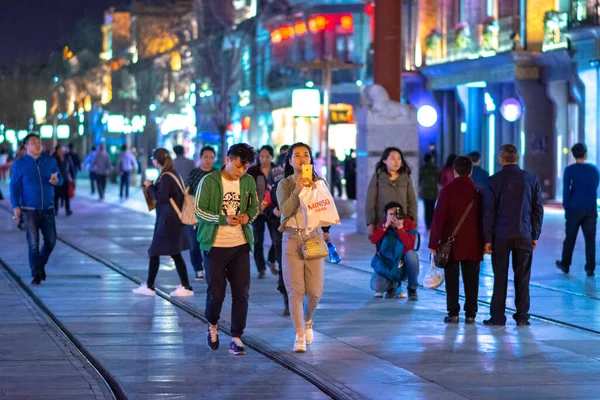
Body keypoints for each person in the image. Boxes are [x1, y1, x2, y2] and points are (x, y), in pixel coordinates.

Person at [195, 143, 258, 356]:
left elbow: (254, 207)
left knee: (242, 292)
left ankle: (237, 337)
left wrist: (248, 216)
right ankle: (212, 325)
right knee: (216, 294)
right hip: (215, 245)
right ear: (228, 160)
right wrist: (223, 219)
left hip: (240, 244)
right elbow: (199, 211)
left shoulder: (247, 182)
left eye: (246, 167)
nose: (242, 171)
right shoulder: (209, 181)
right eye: (239, 165)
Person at [277, 142, 330, 353]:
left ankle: (308, 320)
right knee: (295, 291)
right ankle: (299, 334)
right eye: (296, 155)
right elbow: (285, 210)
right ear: (290, 160)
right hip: (291, 237)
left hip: (314, 237)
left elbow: (326, 211)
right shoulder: (285, 184)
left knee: (315, 291)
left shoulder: (320, 182)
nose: (301, 158)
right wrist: (299, 188)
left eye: (305, 155)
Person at [482, 144, 544, 327]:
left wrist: (487, 239)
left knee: (499, 276)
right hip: (524, 234)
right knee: (522, 276)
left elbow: (489, 212)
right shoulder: (531, 179)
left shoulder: (493, 181)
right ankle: (523, 316)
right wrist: (535, 234)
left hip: (500, 236)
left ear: (500, 159)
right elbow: (537, 209)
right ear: (518, 158)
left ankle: (498, 317)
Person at [429, 156, 483, 324]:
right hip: (474, 244)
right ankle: (471, 314)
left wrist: (433, 244)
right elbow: (485, 219)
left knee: (452, 279)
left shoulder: (446, 191)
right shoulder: (479, 192)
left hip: (450, 244)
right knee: (472, 280)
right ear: (471, 171)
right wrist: (487, 241)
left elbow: (438, 219)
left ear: (454, 172)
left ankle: (453, 313)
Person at [132, 148, 194, 297]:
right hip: (172, 221)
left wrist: (150, 186)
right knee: (174, 253)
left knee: (155, 252)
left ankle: (150, 286)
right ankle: (186, 286)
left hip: (167, 222)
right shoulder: (174, 173)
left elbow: (161, 198)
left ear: (156, 160)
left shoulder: (166, 176)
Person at [10, 134, 63, 285]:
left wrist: (57, 180)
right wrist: (16, 206)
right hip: (29, 209)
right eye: (33, 143)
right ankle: (36, 274)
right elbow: (14, 186)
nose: (37, 145)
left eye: (39, 142)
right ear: (26, 146)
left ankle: (40, 264)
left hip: (48, 209)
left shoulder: (50, 161)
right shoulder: (20, 164)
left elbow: (61, 180)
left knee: (51, 241)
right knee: (33, 243)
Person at [556, 143, 599, 277]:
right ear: (585, 154)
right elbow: (596, 185)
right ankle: (590, 268)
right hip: (590, 208)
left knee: (570, 238)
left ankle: (565, 264)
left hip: (574, 209)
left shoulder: (569, 170)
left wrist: (566, 205)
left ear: (573, 155)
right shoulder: (594, 170)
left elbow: (566, 189)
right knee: (590, 239)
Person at [370, 202, 420, 300]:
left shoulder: (409, 224)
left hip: (403, 263)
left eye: (396, 213)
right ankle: (393, 286)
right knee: (377, 286)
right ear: (386, 215)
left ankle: (412, 289)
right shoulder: (384, 225)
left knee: (412, 255)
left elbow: (410, 246)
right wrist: (385, 226)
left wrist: (400, 228)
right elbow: (374, 240)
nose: (394, 217)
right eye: (391, 214)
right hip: (388, 263)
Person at [366, 147, 417, 238]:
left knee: (402, 250)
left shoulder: (406, 178)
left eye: (399, 158)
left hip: (402, 224)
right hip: (383, 224)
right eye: (393, 158)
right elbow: (370, 201)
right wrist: (370, 223)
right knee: (384, 250)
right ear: (385, 161)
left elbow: (412, 201)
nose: (396, 161)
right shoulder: (378, 177)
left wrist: (414, 222)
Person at [185, 145, 217, 281]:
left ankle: (211, 269)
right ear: (200, 158)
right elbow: (186, 194)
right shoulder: (194, 173)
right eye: (205, 157)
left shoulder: (218, 174)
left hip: (212, 215)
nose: (208, 160)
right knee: (194, 244)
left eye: (211, 157)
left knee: (211, 245)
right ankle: (198, 268)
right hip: (195, 216)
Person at [247, 145, 278, 278]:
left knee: (276, 238)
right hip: (257, 211)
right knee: (258, 240)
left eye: (267, 156)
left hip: (272, 210)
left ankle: (271, 259)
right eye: (262, 156)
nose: (264, 159)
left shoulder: (277, 170)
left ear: (272, 157)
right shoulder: (253, 171)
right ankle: (261, 268)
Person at [53, 145, 75, 216]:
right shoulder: (54, 158)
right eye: (59, 150)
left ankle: (67, 210)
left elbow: (71, 168)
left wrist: (73, 177)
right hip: (56, 179)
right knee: (56, 196)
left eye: (62, 150)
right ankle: (55, 210)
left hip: (65, 179)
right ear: (57, 151)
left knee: (66, 195)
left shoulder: (67, 158)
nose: (61, 152)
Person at [419, 154, 440, 230]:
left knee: (426, 208)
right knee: (432, 208)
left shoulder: (422, 169)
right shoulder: (436, 168)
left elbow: (419, 180)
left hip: (425, 191)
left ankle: (427, 224)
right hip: (433, 191)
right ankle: (432, 223)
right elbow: (439, 180)